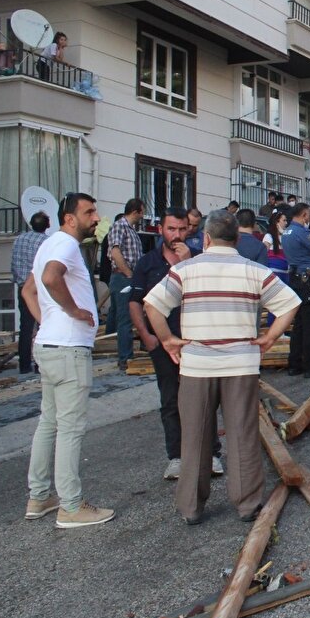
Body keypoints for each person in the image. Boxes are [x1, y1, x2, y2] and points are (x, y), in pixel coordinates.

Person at [143, 209, 300, 525]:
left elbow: (152, 304)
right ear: (238, 239)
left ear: (206, 237)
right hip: (241, 362)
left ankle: (191, 507)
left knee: (195, 436)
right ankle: (247, 504)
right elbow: (290, 303)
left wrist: (168, 339)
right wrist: (270, 335)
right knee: (242, 432)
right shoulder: (254, 270)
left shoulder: (186, 270)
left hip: (197, 365)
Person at [22, 192, 113, 527]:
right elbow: (49, 280)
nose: (95, 217)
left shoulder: (46, 245)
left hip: (50, 344)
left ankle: (40, 495)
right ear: (70, 218)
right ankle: (71, 506)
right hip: (69, 347)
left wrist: (46, 320)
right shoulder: (67, 245)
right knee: (70, 428)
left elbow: (28, 291)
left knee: (49, 422)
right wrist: (74, 310)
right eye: (89, 211)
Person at [129, 207, 223, 481]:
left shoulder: (198, 260)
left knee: (204, 399)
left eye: (183, 229)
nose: (177, 235)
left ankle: (211, 454)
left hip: (195, 342)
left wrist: (187, 263)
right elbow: (136, 302)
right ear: (161, 230)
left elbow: (208, 295)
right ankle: (177, 456)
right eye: (172, 229)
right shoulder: (147, 263)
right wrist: (147, 336)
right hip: (163, 344)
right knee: (170, 400)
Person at [281, 203, 310, 377]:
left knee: (299, 323)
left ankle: (295, 363)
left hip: (297, 279)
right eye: (308, 215)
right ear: (304, 214)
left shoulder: (287, 232)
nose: (309, 219)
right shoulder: (302, 232)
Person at [106, 197, 145, 372]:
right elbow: (115, 251)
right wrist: (128, 274)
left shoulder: (132, 230)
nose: (143, 216)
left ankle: (127, 355)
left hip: (130, 277)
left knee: (129, 317)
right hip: (123, 277)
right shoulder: (119, 226)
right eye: (142, 212)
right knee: (124, 319)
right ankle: (125, 358)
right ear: (136, 211)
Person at [11, 211, 50, 377]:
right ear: (47, 225)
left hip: (23, 287)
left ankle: (24, 365)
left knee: (25, 327)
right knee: (44, 326)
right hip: (40, 287)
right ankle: (40, 365)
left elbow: (13, 263)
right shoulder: (47, 242)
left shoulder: (19, 239)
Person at [262, 211, 291, 325]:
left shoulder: (284, 236)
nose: (286, 223)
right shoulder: (269, 236)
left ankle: (280, 328)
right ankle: (273, 327)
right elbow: (264, 252)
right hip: (275, 273)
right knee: (276, 302)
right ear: (276, 222)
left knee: (284, 302)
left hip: (285, 272)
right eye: (283, 220)